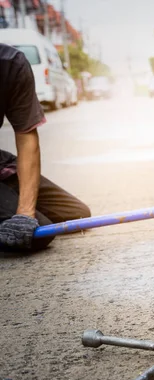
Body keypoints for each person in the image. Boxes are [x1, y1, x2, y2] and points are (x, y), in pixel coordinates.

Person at [0, 43, 90, 251]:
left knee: (76, 213)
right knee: (39, 235)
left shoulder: (11, 63)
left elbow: (26, 137)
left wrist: (24, 213)